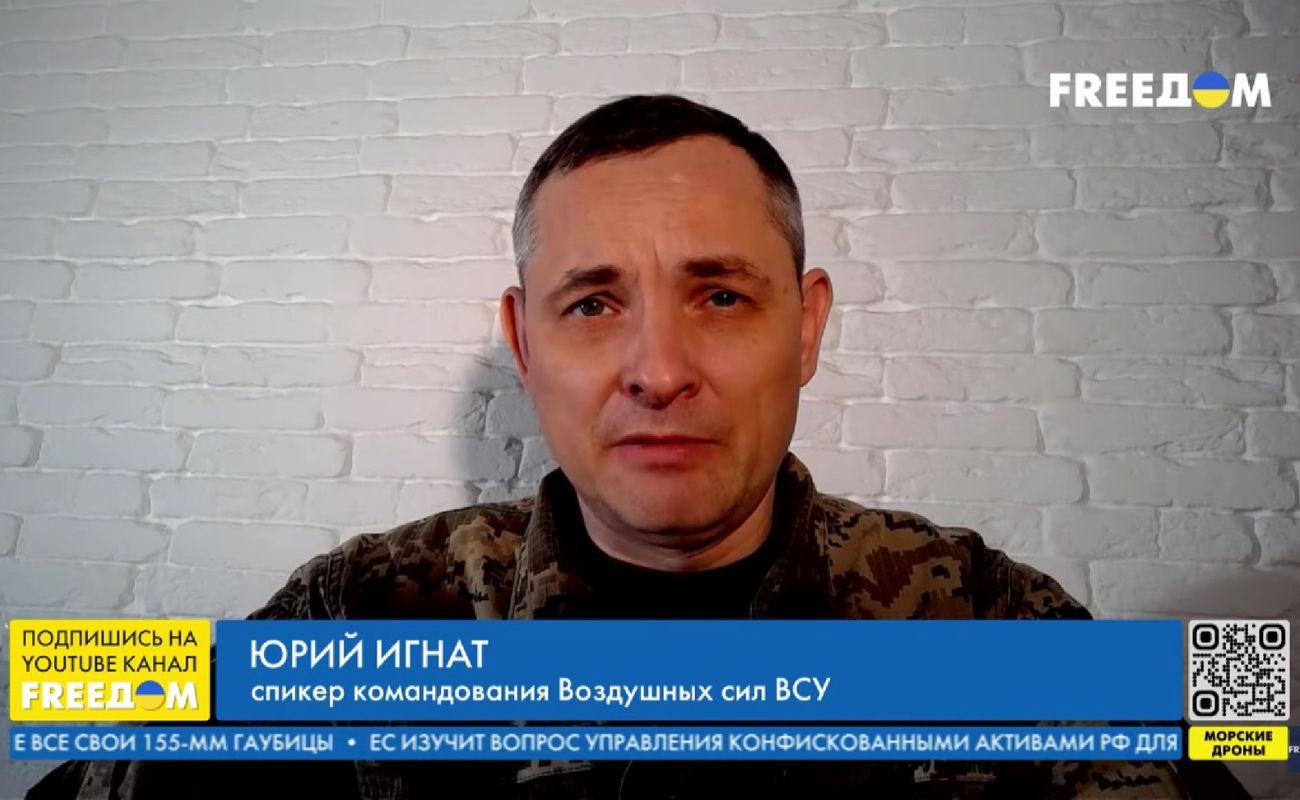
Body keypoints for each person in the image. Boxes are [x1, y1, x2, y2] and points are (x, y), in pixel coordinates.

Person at [29, 94, 1248, 799]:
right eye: (592, 302)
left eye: (719, 294)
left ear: (805, 326)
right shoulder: (358, 610)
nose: (659, 368)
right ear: (524, 340)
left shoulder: (987, 618)